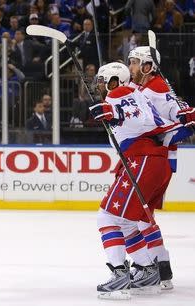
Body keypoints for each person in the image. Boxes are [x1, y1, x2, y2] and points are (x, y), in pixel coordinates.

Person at [89, 62, 182, 299]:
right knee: (129, 223)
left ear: (115, 81)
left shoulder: (120, 93)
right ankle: (148, 271)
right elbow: (150, 121)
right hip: (152, 162)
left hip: (142, 161)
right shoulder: (134, 92)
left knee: (107, 217)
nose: (100, 85)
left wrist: (113, 112)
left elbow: (136, 118)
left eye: (103, 80)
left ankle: (120, 275)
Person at [127, 46, 195, 289]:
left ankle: (149, 268)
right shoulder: (146, 87)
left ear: (147, 67)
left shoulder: (157, 89)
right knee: (144, 218)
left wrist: (183, 115)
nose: (130, 67)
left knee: (128, 217)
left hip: (154, 161)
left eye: (135, 63)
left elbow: (184, 118)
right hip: (152, 160)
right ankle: (162, 269)